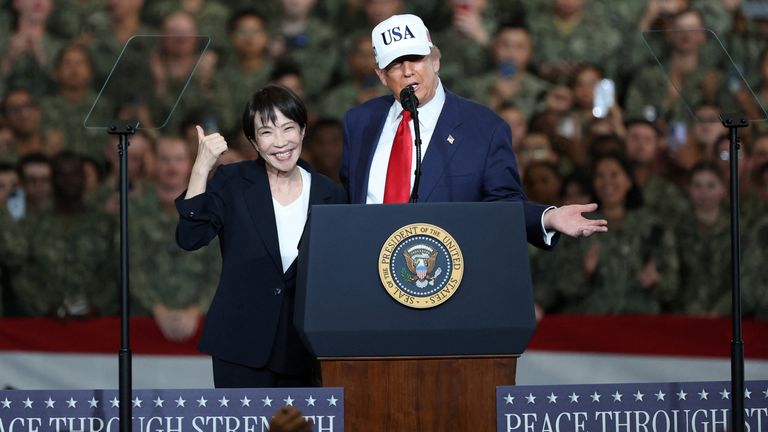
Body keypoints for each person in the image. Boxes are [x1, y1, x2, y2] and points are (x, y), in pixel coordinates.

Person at [340, 14, 607, 248]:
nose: (408, 71)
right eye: (395, 64)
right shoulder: (360, 121)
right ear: (381, 76)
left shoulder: (484, 127)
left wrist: (546, 218)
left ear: (435, 61)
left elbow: (502, 203)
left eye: (416, 58)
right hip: (368, 270)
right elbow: (349, 201)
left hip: (447, 279)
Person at [176, 85, 347, 388]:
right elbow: (190, 237)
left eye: (288, 128)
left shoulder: (329, 193)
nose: (280, 142)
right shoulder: (233, 182)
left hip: (304, 348)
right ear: (253, 141)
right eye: (267, 132)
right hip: (240, 344)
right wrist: (202, 167)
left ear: (303, 130)